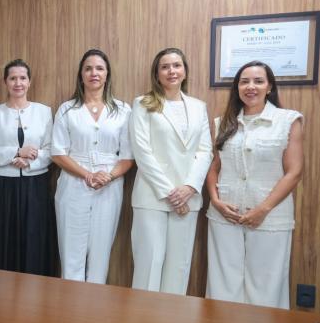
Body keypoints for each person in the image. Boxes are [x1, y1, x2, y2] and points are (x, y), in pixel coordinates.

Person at [205, 61, 303, 308]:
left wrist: (263, 209)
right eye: (244, 81)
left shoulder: (287, 120)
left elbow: (294, 172)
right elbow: (214, 166)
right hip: (225, 214)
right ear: (237, 87)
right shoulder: (223, 122)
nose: (251, 87)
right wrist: (215, 200)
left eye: (258, 81)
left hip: (270, 216)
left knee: (266, 286)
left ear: (269, 87)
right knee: (223, 284)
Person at [129, 47, 212, 294]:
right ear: (157, 73)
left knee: (179, 267)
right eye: (165, 67)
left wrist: (189, 188)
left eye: (177, 65)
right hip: (152, 197)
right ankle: (143, 319)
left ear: (185, 71)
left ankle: (172, 319)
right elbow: (142, 152)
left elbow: (205, 151)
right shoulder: (142, 104)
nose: (171, 71)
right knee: (149, 265)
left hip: (188, 198)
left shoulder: (198, 106)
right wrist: (171, 194)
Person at [51, 49, 133, 283]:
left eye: (99, 68)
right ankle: (70, 303)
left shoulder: (123, 110)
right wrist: (87, 174)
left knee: (100, 255)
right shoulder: (67, 109)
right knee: (71, 255)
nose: (94, 73)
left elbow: (128, 156)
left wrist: (108, 176)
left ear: (107, 74)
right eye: (88, 68)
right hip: (73, 183)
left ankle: (95, 304)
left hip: (109, 186)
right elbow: (57, 153)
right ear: (81, 75)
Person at [0, 58, 55, 276]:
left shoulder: (44, 112)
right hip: (0, 188)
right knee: (0, 240)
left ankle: (33, 290)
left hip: (34, 186)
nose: (18, 83)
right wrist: (16, 152)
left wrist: (30, 160)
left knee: (33, 238)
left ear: (29, 82)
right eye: (12, 78)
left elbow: (51, 150)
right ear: (5, 82)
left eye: (22, 78)